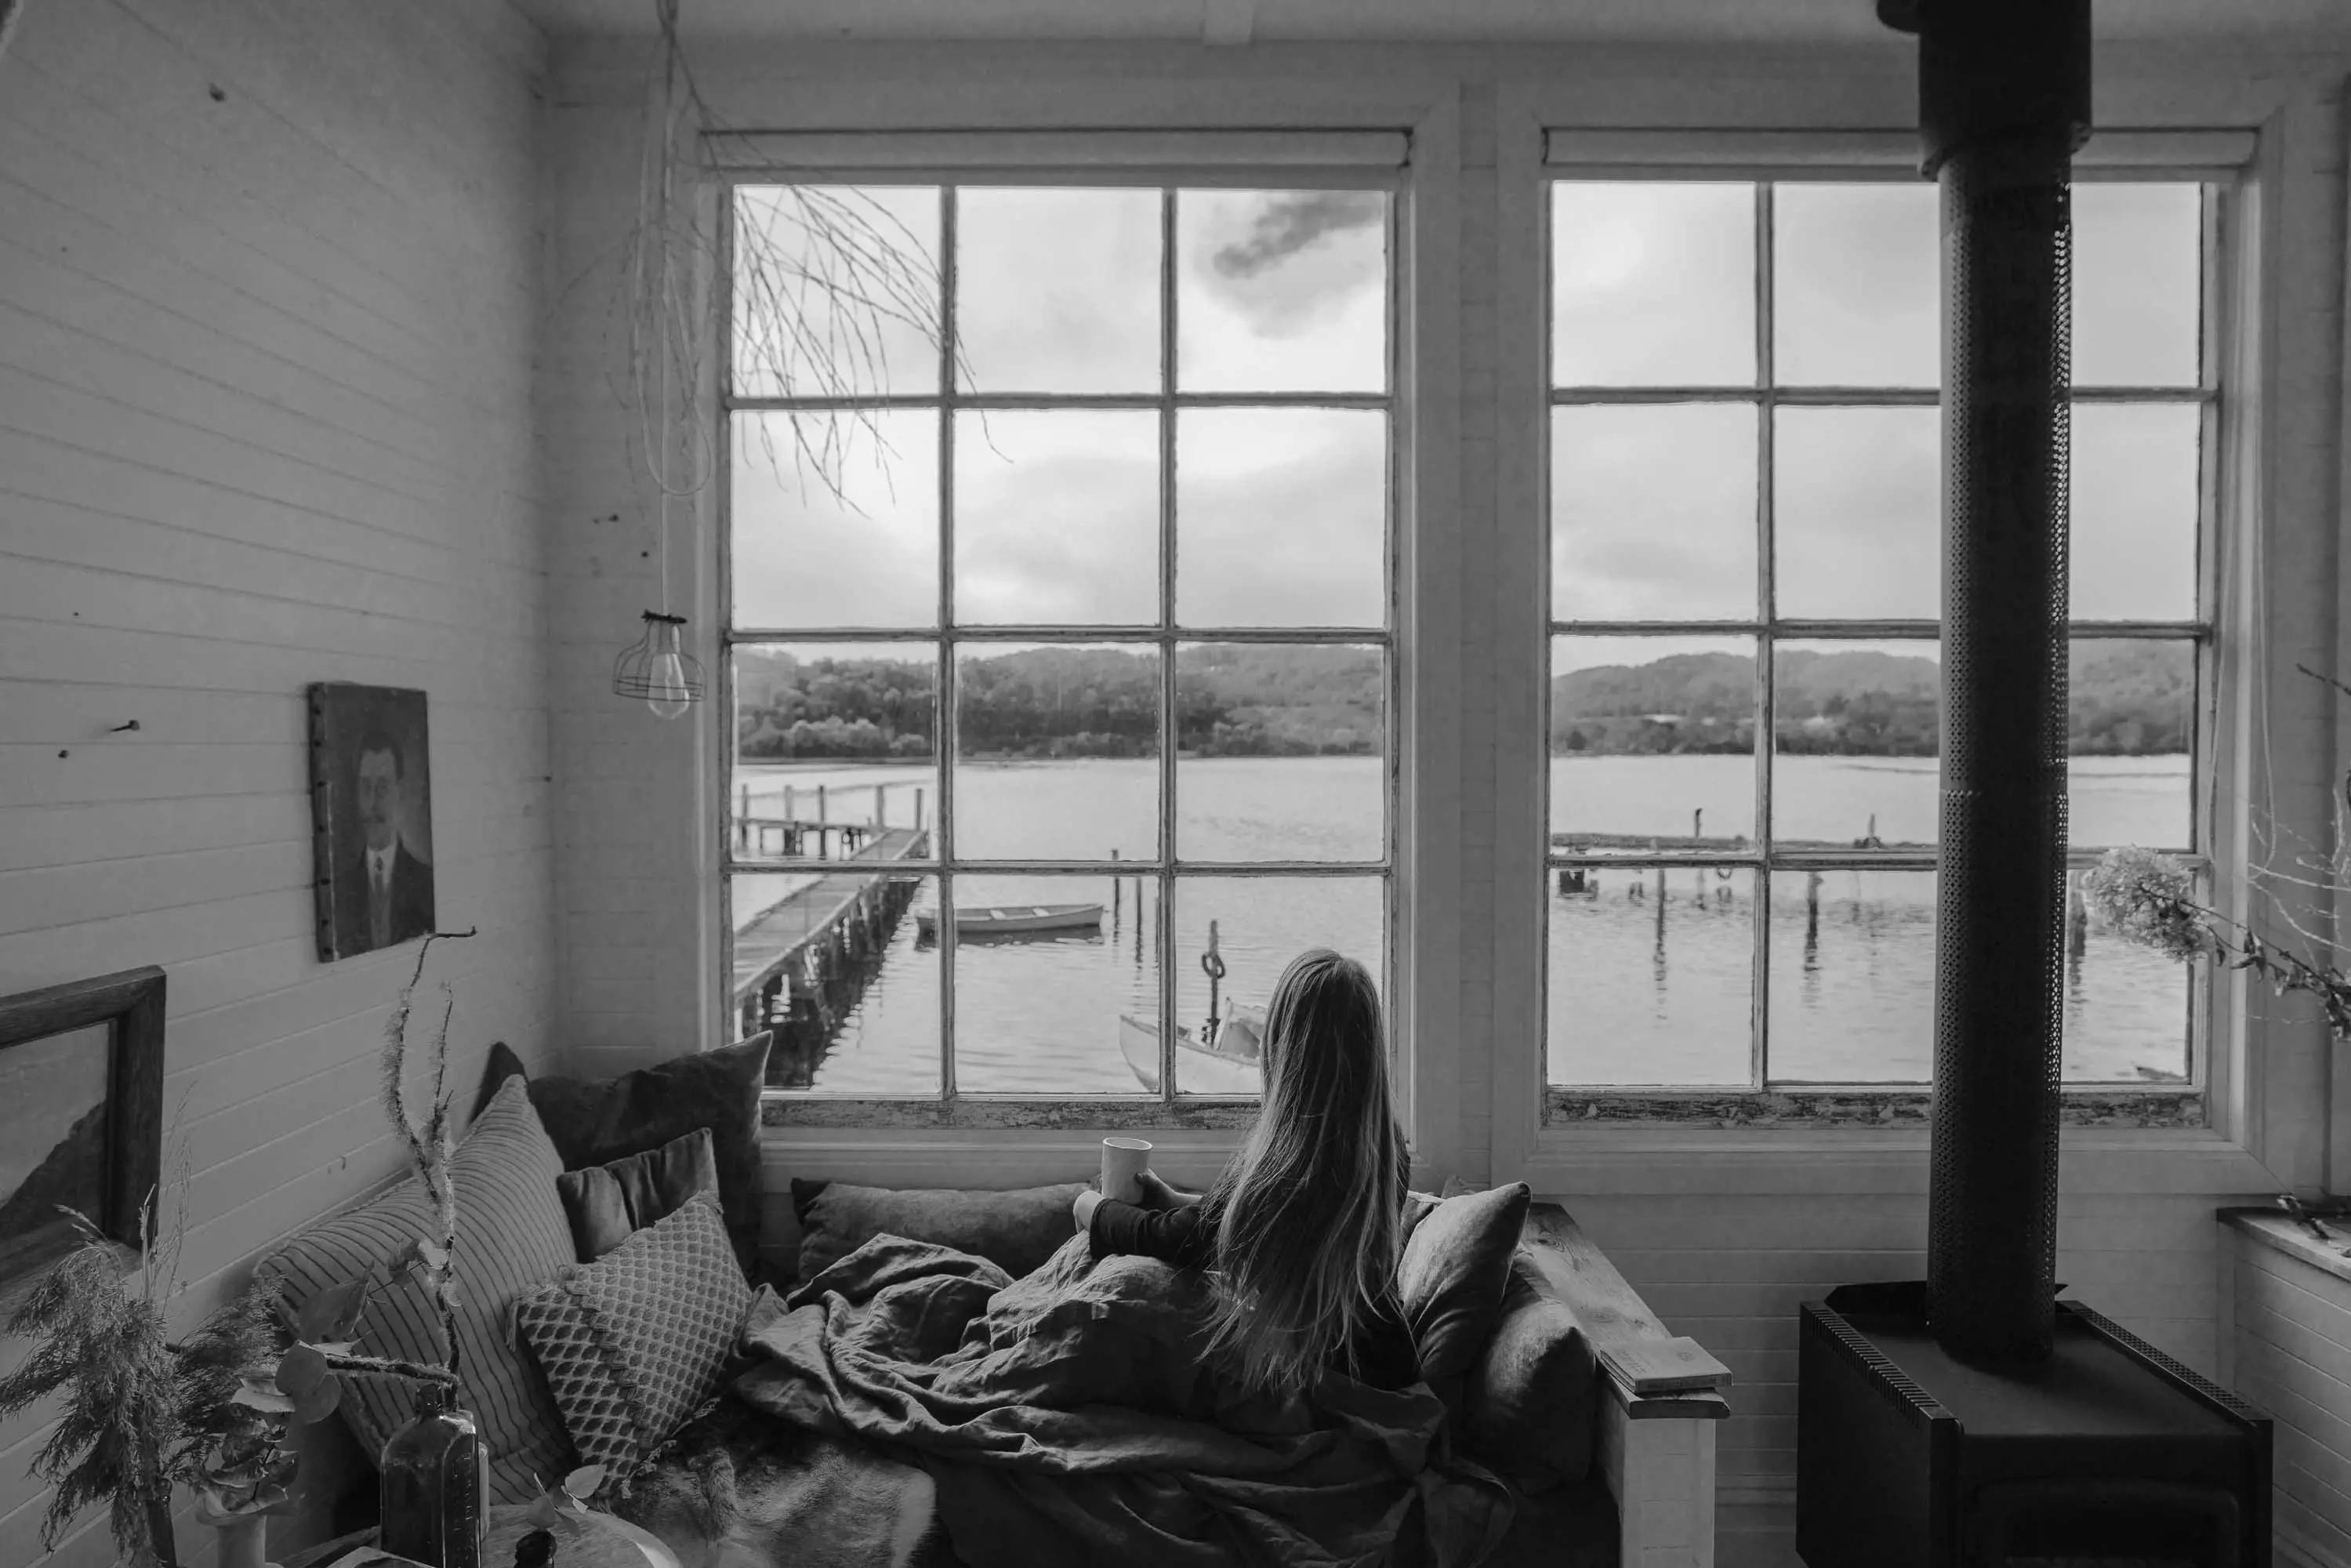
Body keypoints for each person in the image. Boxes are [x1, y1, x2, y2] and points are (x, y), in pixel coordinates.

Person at [1074, 949, 1417, 1393]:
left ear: (1281, 1049)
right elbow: (1245, 1225)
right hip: (1388, 1363)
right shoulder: (1384, 1150)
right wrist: (1175, 1201)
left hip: (1333, 1382)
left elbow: (1174, 1240)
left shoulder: (1283, 1170)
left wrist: (1089, 1206)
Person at [334, 728, 436, 954]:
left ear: (399, 793)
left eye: (383, 787)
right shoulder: (339, 893)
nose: (372, 802)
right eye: (365, 787)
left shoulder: (427, 884)